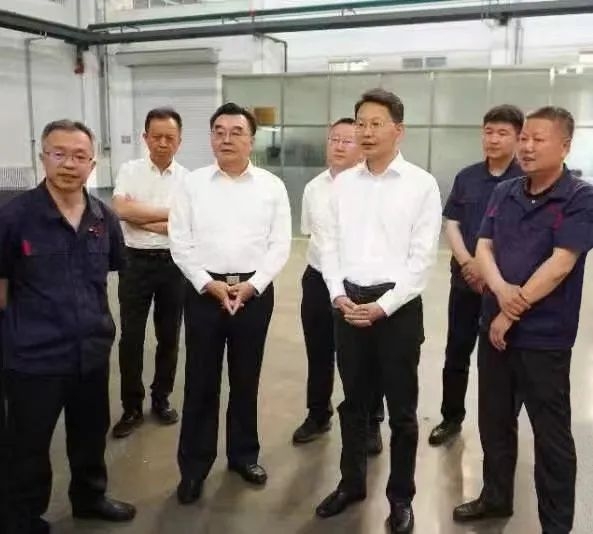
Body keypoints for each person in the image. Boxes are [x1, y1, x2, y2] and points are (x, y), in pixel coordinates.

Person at [453, 106, 593, 534]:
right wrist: (500, 292)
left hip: (543, 337)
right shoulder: (506, 191)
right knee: (494, 420)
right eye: (525, 138)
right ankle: (495, 497)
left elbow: (561, 264)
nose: (527, 147)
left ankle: (556, 524)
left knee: (551, 435)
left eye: (538, 139)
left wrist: (511, 311)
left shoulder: (579, 197)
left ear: (564, 146)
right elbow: (484, 247)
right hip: (493, 328)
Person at [0, 120, 136, 534]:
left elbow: (109, 272)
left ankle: (89, 499)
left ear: (92, 164)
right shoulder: (14, 217)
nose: (69, 164)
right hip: (34, 356)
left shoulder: (103, 218)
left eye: (79, 156)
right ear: (42, 157)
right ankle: (22, 519)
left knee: (90, 434)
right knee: (28, 445)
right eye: (58, 154)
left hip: (90, 352)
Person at [316, 89, 442, 534]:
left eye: (376, 124)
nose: (366, 132)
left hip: (397, 309)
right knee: (353, 404)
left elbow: (422, 260)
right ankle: (351, 484)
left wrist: (382, 307)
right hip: (348, 305)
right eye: (360, 123)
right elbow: (328, 244)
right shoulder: (343, 184)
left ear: (398, 130)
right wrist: (338, 295)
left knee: (402, 412)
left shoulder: (421, 185)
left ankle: (401, 497)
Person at [169, 103, 291, 504]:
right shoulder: (192, 185)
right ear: (211, 138)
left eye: (236, 132)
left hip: (253, 294)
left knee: (245, 378)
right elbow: (180, 241)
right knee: (200, 382)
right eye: (218, 131)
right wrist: (207, 284)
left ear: (251, 140)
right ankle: (194, 468)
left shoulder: (271, 186)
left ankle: (243, 456)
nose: (226, 139)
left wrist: (254, 285)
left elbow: (280, 244)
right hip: (204, 293)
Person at [428, 105, 524, 446]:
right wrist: (468, 262)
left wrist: (489, 273)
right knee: (457, 351)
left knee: (501, 357)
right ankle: (451, 417)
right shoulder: (467, 177)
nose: (493, 139)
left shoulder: (525, 180)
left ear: (518, 138)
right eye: (488, 132)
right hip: (465, 282)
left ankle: (502, 425)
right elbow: (452, 224)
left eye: (502, 133)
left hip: (504, 288)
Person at [293, 117, 385, 454]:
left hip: (358, 284)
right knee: (319, 351)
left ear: (361, 147)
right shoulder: (313, 188)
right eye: (334, 139)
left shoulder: (372, 188)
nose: (339, 146)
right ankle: (318, 414)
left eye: (348, 140)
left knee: (364, 358)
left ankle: (371, 421)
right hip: (318, 278)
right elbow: (311, 233)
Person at [111, 107, 188, 439]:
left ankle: (161, 398)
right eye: (156, 136)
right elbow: (120, 209)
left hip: (174, 264)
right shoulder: (130, 171)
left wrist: (140, 217)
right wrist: (168, 216)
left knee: (169, 336)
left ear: (179, 141)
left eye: (170, 137)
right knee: (131, 337)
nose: (162, 143)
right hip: (134, 262)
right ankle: (131, 406)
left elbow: (187, 225)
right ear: (145, 138)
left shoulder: (188, 179)